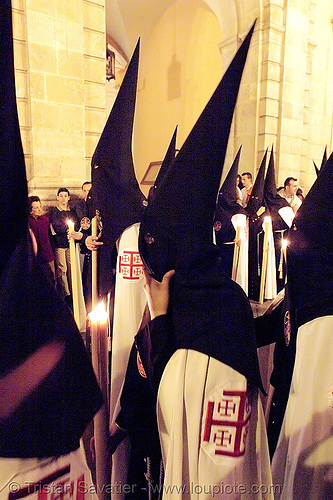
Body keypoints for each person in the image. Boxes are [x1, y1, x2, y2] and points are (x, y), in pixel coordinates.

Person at [48, 187, 78, 303]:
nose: (63, 198)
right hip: (60, 244)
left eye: (65, 196)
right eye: (61, 196)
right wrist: (67, 228)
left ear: (69, 197)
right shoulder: (55, 212)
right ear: (57, 197)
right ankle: (66, 293)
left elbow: (75, 224)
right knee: (62, 269)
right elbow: (56, 226)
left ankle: (73, 290)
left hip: (70, 243)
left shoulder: (72, 211)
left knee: (72, 268)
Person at [28, 195, 55, 286]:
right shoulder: (28, 222)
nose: (39, 209)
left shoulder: (45, 220)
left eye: (40, 206)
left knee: (51, 278)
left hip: (47, 255)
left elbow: (50, 236)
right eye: (36, 208)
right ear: (30, 210)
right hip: (35, 256)